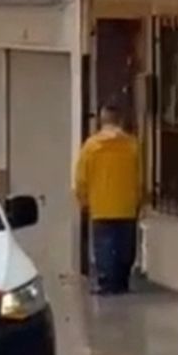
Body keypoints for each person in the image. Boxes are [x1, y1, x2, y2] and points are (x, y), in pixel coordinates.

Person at [74, 105, 142, 295]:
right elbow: (140, 177)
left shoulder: (91, 146)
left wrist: (84, 201)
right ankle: (122, 282)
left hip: (101, 206)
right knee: (125, 246)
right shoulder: (131, 145)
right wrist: (138, 200)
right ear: (119, 120)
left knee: (104, 247)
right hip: (126, 206)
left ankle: (106, 283)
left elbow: (81, 178)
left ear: (102, 121)